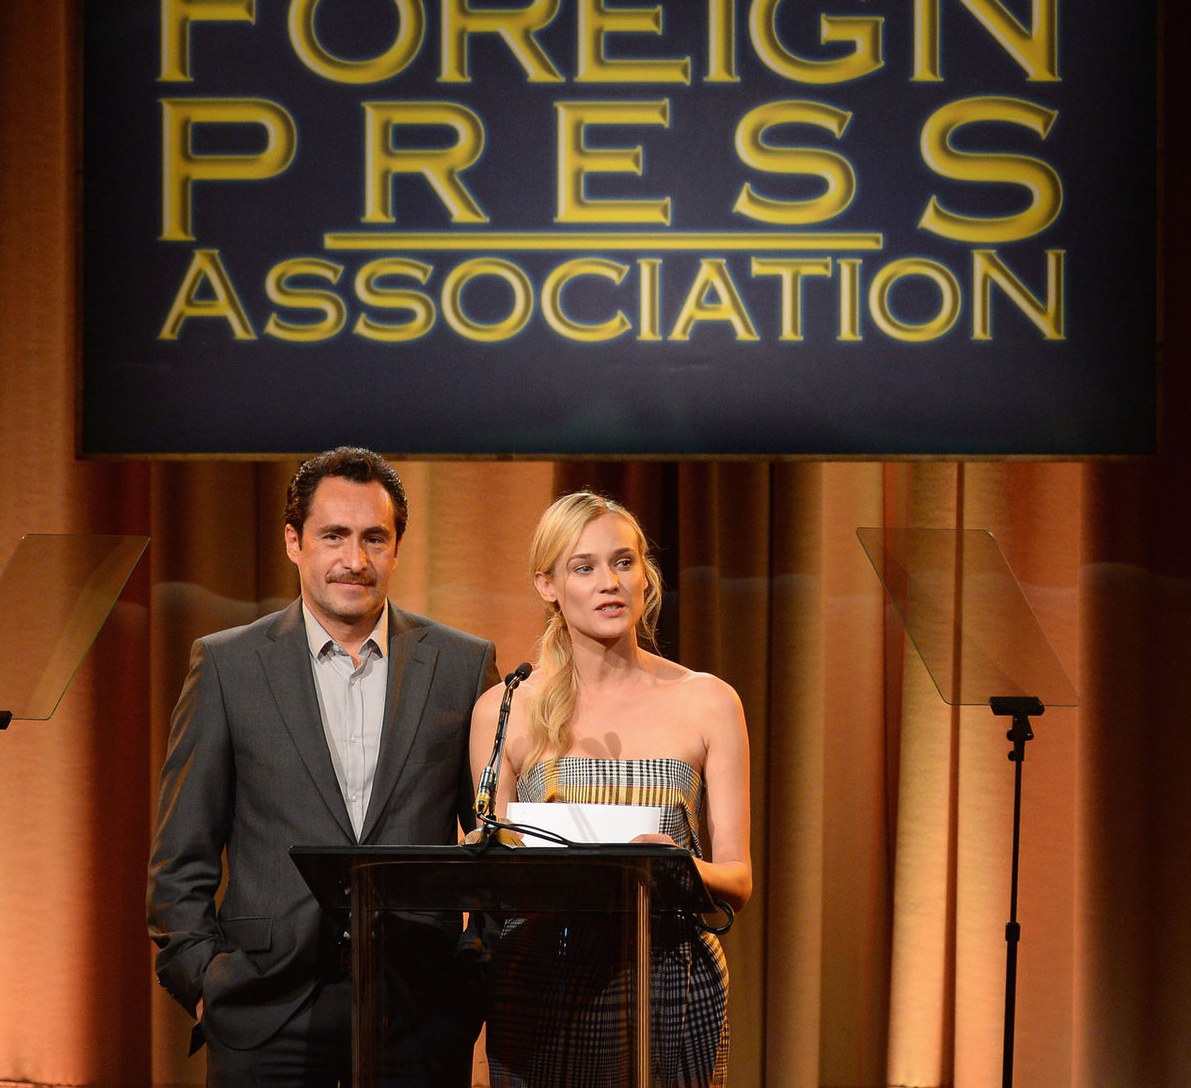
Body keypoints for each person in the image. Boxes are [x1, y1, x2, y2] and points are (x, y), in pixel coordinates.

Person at [149, 446, 499, 1087]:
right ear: (294, 541)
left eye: (374, 538)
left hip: (419, 1011)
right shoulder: (227, 666)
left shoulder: (463, 666)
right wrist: (203, 980)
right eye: (333, 536)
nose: (354, 560)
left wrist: (472, 975)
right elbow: (181, 854)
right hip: (262, 1011)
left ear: (397, 546)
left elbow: (495, 844)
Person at [470, 491, 752, 1088]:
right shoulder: (506, 708)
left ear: (645, 577)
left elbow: (738, 879)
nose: (610, 583)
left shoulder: (710, 700)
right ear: (547, 585)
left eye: (625, 562)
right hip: (542, 974)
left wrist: (670, 866)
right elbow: (491, 876)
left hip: (671, 975)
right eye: (584, 566)